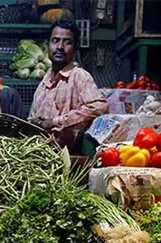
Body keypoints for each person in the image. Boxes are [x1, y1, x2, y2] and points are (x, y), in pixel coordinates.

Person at [28, 20, 108, 154]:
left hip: (71, 157)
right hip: (41, 156)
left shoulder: (79, 76)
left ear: (75, 48)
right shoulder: (43, 84)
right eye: (55, 40)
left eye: (67, 42)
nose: (60, 46)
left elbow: (100, 107)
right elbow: (31, 119)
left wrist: (55, 122)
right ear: (47, 46)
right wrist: (33, 123)